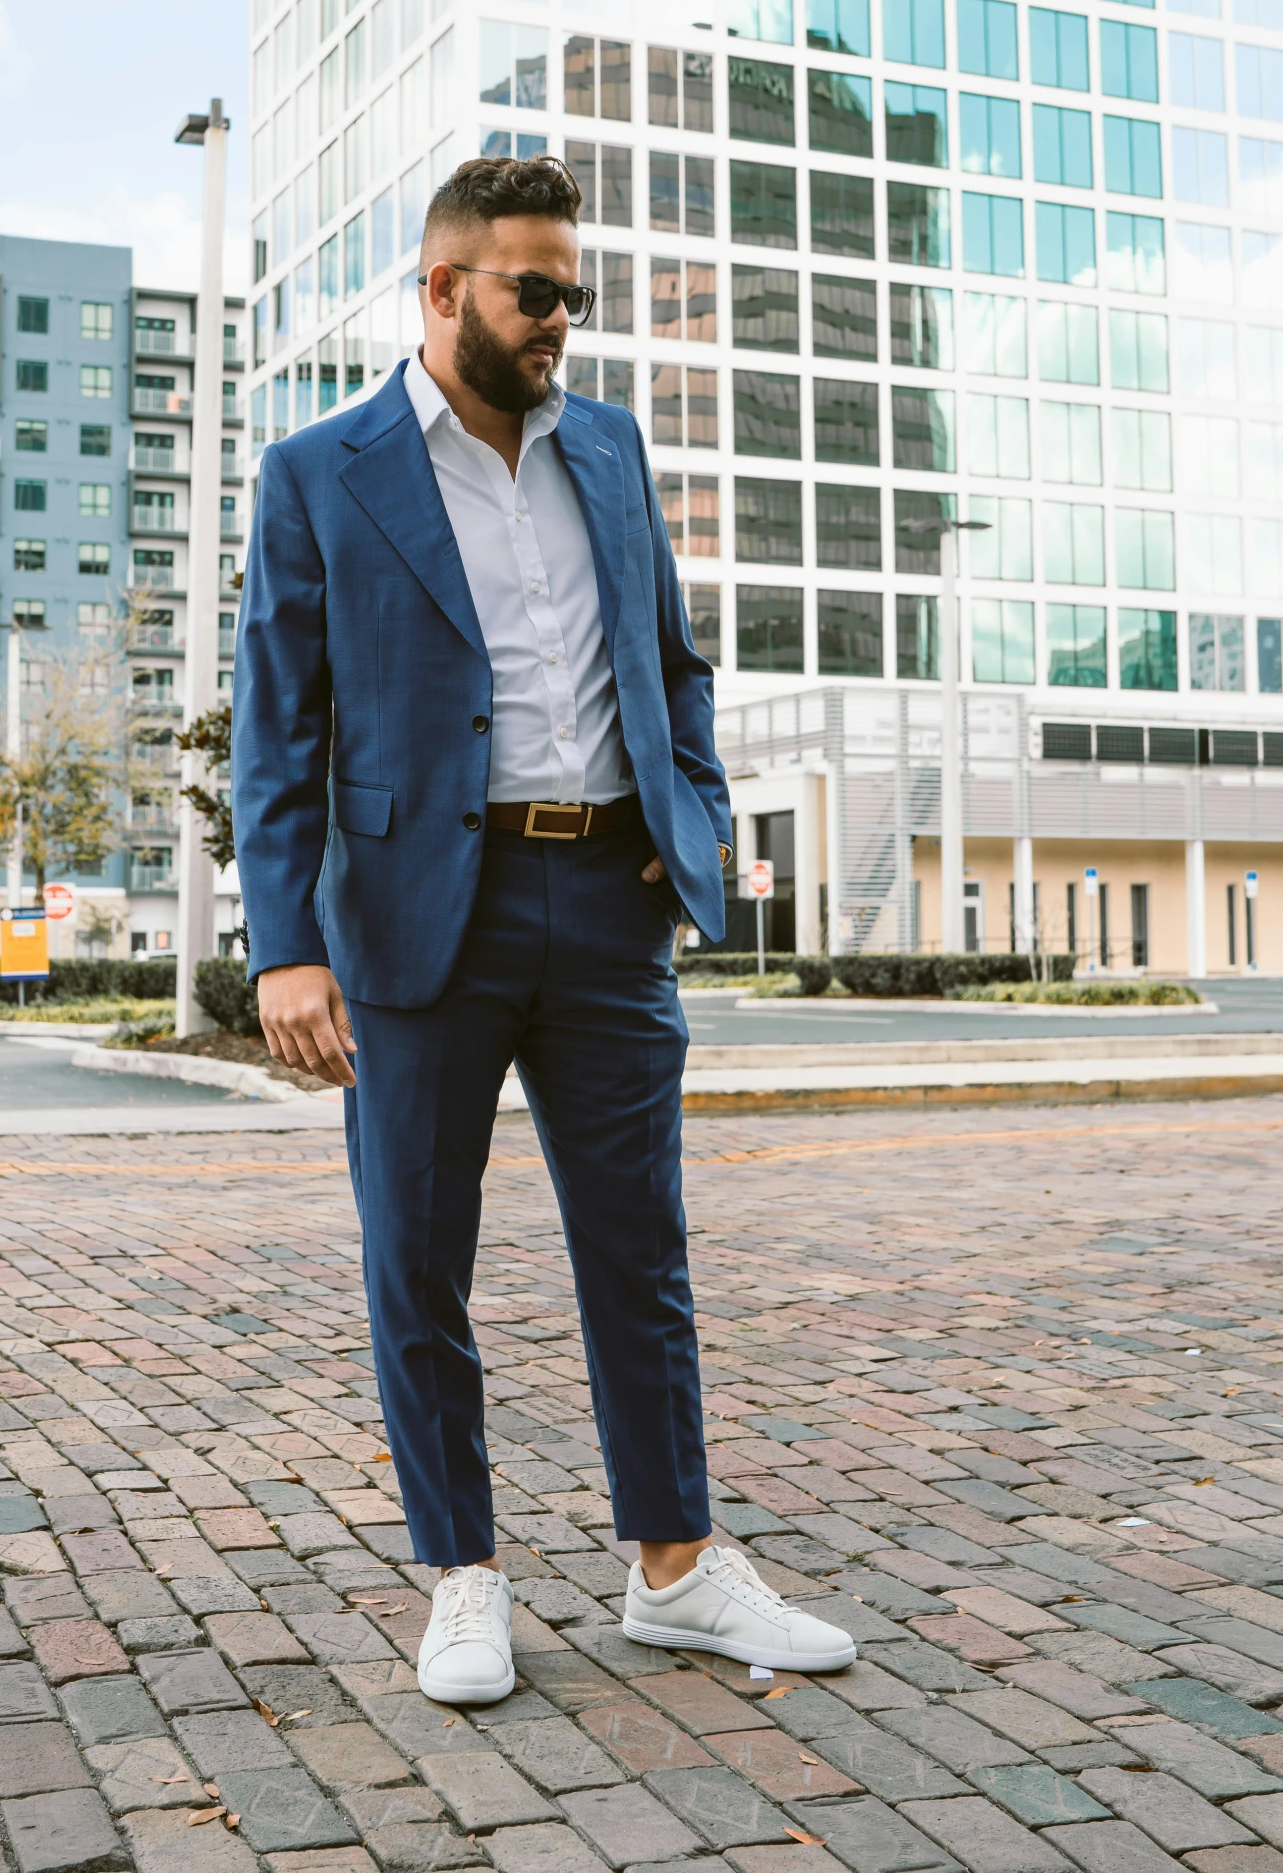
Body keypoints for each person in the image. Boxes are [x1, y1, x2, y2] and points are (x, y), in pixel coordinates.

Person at [234, 155, 856, 1703]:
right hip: (414, 913)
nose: (563, 318)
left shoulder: (615, 451)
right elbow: (276, 729)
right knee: (416, 1260)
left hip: (608, 898)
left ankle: (675, 1567)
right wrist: (282, 945)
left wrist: (689, 817)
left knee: (640, 1250)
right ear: (442, 289)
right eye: (535, 289)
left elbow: (677, 662)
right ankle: (464, 1574)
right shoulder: (321, 473)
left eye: (575, 290)